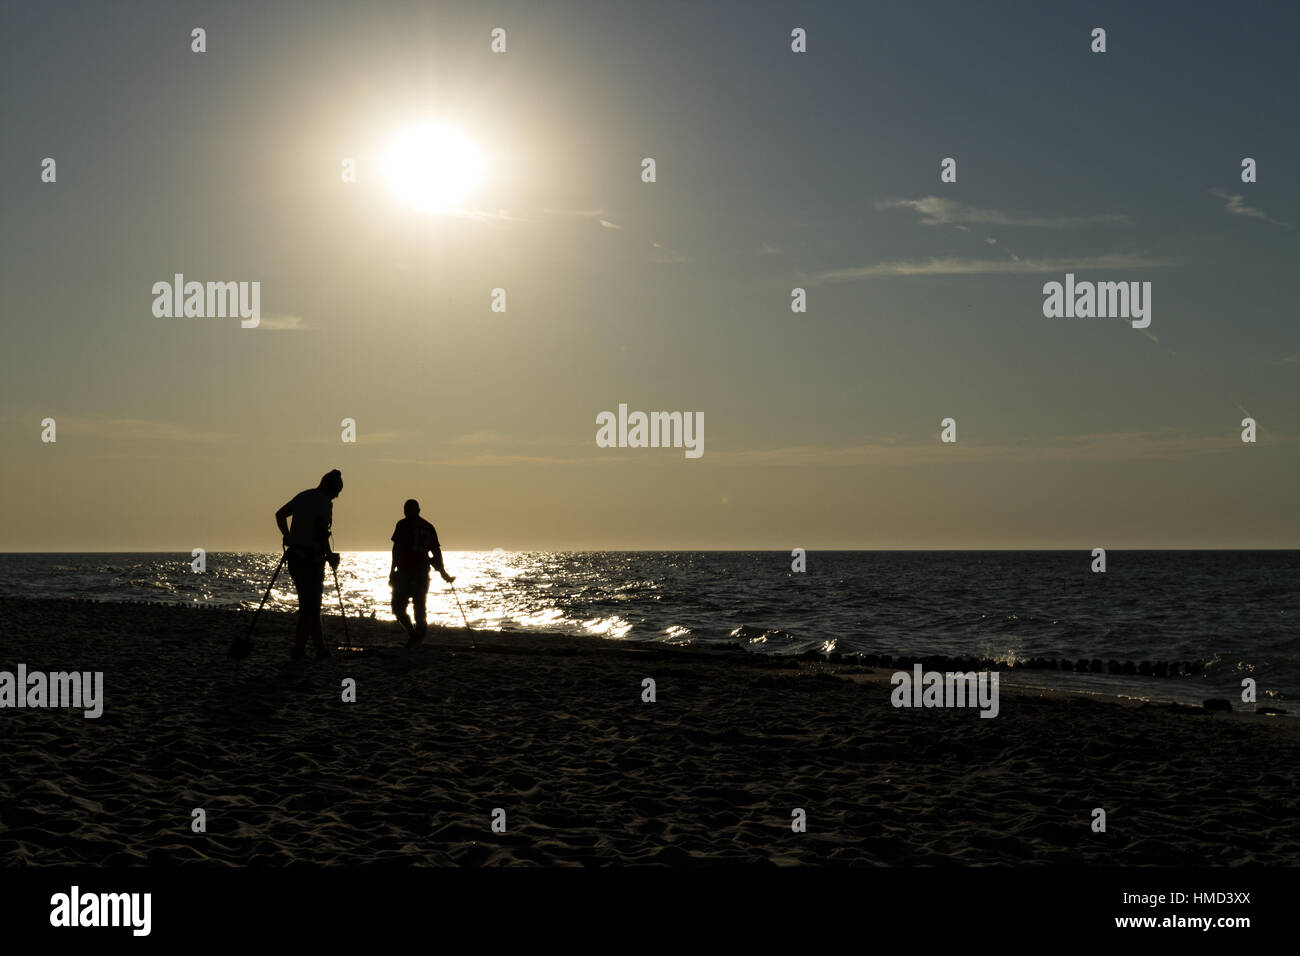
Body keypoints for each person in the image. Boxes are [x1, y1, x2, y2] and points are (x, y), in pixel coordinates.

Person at [275, 469, 343, 661]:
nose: (337, 496)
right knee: (310, 607)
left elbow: (280, 515)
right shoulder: (324, 504)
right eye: (337, 492)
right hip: (311, 560)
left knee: (311, 606)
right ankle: (300, 650)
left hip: (295, 558)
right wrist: (330, 556)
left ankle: (319, 648)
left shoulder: (303, 496)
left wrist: (287, 536)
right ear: (330, 488)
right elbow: (321, 534)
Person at [389, 498, 454, 648]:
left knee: (401, 607)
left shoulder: (402, 525)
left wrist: (392, 570)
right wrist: (442, 571)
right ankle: (415, 636)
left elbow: (396, 550)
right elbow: (436, 552)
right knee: (418, 608)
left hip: (408, 572)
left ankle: (414, 636)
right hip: (420, 573)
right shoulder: (428, 527)